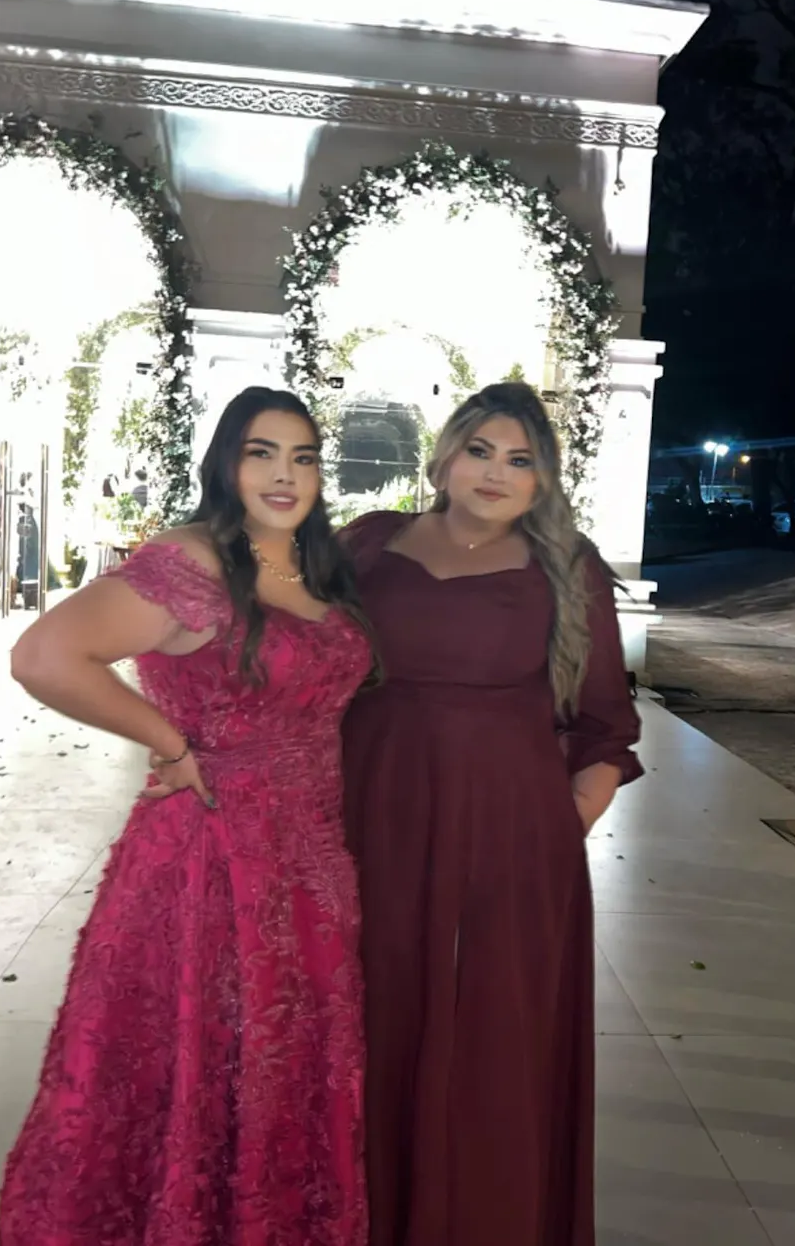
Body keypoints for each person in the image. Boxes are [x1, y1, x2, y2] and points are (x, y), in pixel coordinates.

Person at [0, 386, 372, 1246]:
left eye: (303, 457)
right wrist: (169, 742)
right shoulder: (192, 562)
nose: (285, 475)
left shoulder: (316, 566)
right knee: (200, 1065)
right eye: (261, 453)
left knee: (283, 1069)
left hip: (313, 864)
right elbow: (45, 655)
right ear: (224, 463)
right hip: (213, 861)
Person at [339, 381, 643, 1246]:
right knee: (373, 1012)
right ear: (443, 458)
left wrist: (554, 833)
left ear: (543, 480)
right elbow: (294, 649)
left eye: (521, 460)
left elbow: (606, 727)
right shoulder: (368, 543)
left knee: (492, 1035)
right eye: (480, 451)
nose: (496, 473)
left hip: (513, 835)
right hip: (373, 813)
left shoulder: (568, 568)